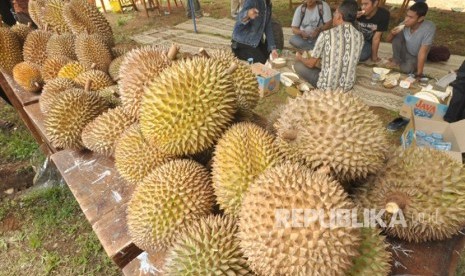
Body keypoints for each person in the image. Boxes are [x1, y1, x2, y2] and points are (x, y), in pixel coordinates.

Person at [294, 0, 363, 91]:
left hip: (327, 86)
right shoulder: (360, 36)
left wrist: (300, 58)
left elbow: (311, 64)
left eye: (335, 13)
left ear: (339, 16)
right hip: (347, 86)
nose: (333, 15)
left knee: (298, 65)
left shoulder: (326, 34)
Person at [386, 2, 435, 77]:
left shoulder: (429, 28)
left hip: (415, 56)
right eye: (407, 15)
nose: (406, 19)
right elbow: (388, 40)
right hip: (405, 50)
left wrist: (419, 73)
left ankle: (401, 61)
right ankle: (396, 60)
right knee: (397, 35)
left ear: (420, 18)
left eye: (411, 17)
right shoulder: (404, 24)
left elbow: (423, 52)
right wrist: (392, 33)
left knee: (407, 70)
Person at [231, 0, 278, 64]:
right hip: (242, 41)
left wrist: (273, 48)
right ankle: (237, 51)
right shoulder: (252, 1)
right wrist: (247, 14)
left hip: (255, 41)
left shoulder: (268, 3)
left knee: (268, 56)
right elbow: (239, 19)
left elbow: (268, 27)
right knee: (261, 61)